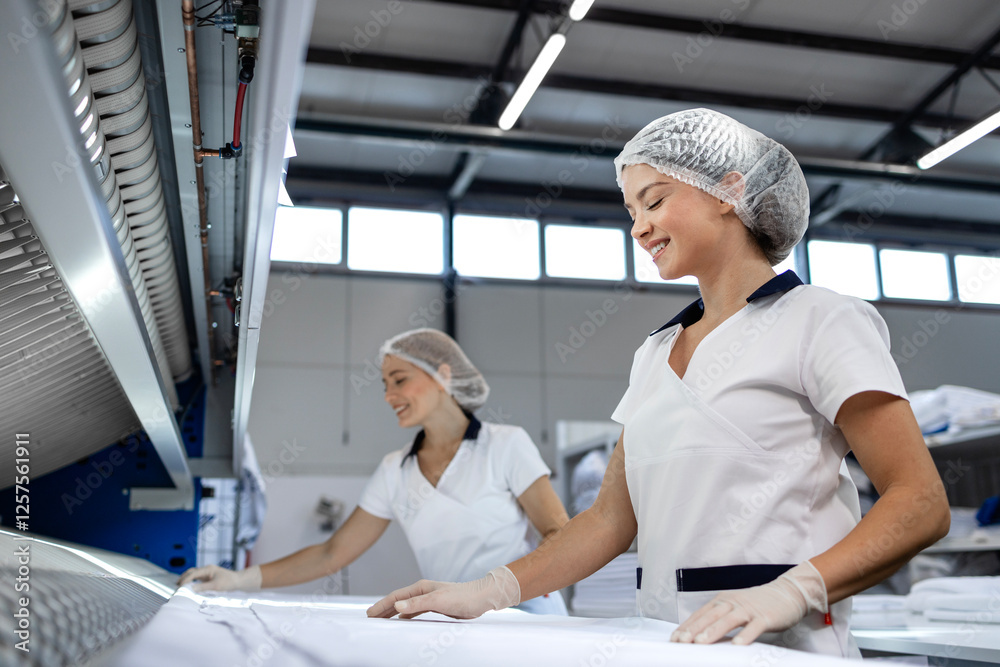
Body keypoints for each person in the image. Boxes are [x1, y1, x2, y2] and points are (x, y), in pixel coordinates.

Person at [365, 109, 951, 656]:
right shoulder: (654, 354)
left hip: (783, 648)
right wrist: (487, 591)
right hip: (666, 644)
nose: (639, 227)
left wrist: (793, 591)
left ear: (730, 190)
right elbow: (608, 522)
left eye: (654, 200)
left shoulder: (820, 319)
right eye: (630, 212)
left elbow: (919, 502)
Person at [179, 328, 570, 615]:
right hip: (452, 621)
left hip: (528, 613)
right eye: (384, 384)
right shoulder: (394, 471)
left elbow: (559, 533)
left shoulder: (505, 445)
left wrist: (503, 589)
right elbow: (332, 554)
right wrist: (236, 579)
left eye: (400, 380)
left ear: (443, 377)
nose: (388, 396)